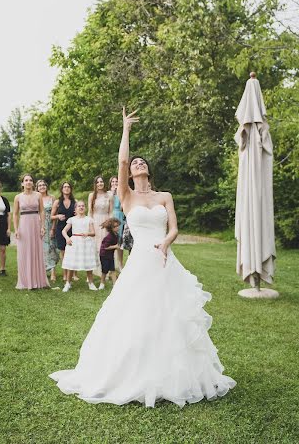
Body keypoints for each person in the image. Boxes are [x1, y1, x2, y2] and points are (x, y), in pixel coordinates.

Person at [50, 108, 236, 407]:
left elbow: (174, 227)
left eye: (141, 162)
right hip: (139, 262)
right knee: (135, 313)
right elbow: (122, 160)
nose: (136, 163)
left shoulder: (165, 197)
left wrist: (165, 243)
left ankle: (176, 374)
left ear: (148, 170)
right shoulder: (126, 196)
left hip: (163, 258)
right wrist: (125, 129)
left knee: (171, 316)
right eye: (134, 162)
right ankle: (132, 372)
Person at [13, 174, 48, 290]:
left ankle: (39, 280)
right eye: (26, 180)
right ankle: (26, 281)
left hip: (35, 224)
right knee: (24, 251)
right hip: (24, 224)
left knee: (36, 250)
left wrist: (42, 226)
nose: (28, 182)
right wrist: (16, 229)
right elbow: (15, 214)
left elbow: (42, 211)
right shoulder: (18, 197)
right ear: (22, 183)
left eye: (30, 180)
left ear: (33, 183)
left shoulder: (38, 195)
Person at [61, 200, 97, 293]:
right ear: (75, 209)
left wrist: (87, 233)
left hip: (86, 243)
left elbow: (93, 233)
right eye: (79, 206)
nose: (81, 207)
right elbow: (64, 231)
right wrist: (67, 238)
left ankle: (91, 283)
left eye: (83, 206)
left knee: (88, 263)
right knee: (72, 263)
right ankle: (68, 283)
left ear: (85, 208)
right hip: (74, 242)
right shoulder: (72, 219)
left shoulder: (89, 219)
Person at [88, 176, 113, 275]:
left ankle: (106, 270)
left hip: (106, 221)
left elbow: (111, 211)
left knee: (106, 245)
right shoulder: (92, 195)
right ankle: (95, 269)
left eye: (101, 181)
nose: (100, 184)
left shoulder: (109, 195)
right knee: (95, 246)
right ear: (95, 184)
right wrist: (90, 224)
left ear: (104, 183)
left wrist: (110, 223)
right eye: (97, 182)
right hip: (95, 221)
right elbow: (90, 211)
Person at [51, 182, 76, 281]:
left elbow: (81, 213)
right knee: (63, 252)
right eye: (64, 187)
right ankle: (65, 274)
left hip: (73, 229)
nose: (66, 188)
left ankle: (73, 274)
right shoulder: (57, 202)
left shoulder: (75, 201)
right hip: (61, 229)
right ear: (61, 189)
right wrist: (57, 216)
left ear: (71, 189)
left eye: (68, 187)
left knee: (73, 252)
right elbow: (51, 216)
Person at [36, 179, 59, 282]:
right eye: (40, 185)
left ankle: (53, 271)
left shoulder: (52, 198)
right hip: (39, 225)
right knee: (41, 248)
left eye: (43, 185)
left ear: (46, 186)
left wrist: (53, 228)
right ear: (37, 188)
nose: (42, 187)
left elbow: (55, 214)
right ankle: (43, 271)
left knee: (52, 247)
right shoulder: (35, 198)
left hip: (50, 224)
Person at [98, 218, 120, 290]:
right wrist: (115, 246)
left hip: (110, 255)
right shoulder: (109, 237)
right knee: (105, 271)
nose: (117, 227)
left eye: (117, 226)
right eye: (115, 226)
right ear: (111, 228)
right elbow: (105, 247)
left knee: (113, 270)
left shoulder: (116, 235)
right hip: (104, 255)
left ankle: (115, 284)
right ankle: (102, 284)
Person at [108, 176, 124, 270]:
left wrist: (118, 193)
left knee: (119, 241)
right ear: (110, 183)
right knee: (111, 240)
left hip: (120, 216)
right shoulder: (108, 193)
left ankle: (120, 264)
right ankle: (110, 265)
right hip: (111, 216)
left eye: (116, 181)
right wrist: (113, 193)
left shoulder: (121, 192)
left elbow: (123, 206)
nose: (115, 183)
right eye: (113, 181)